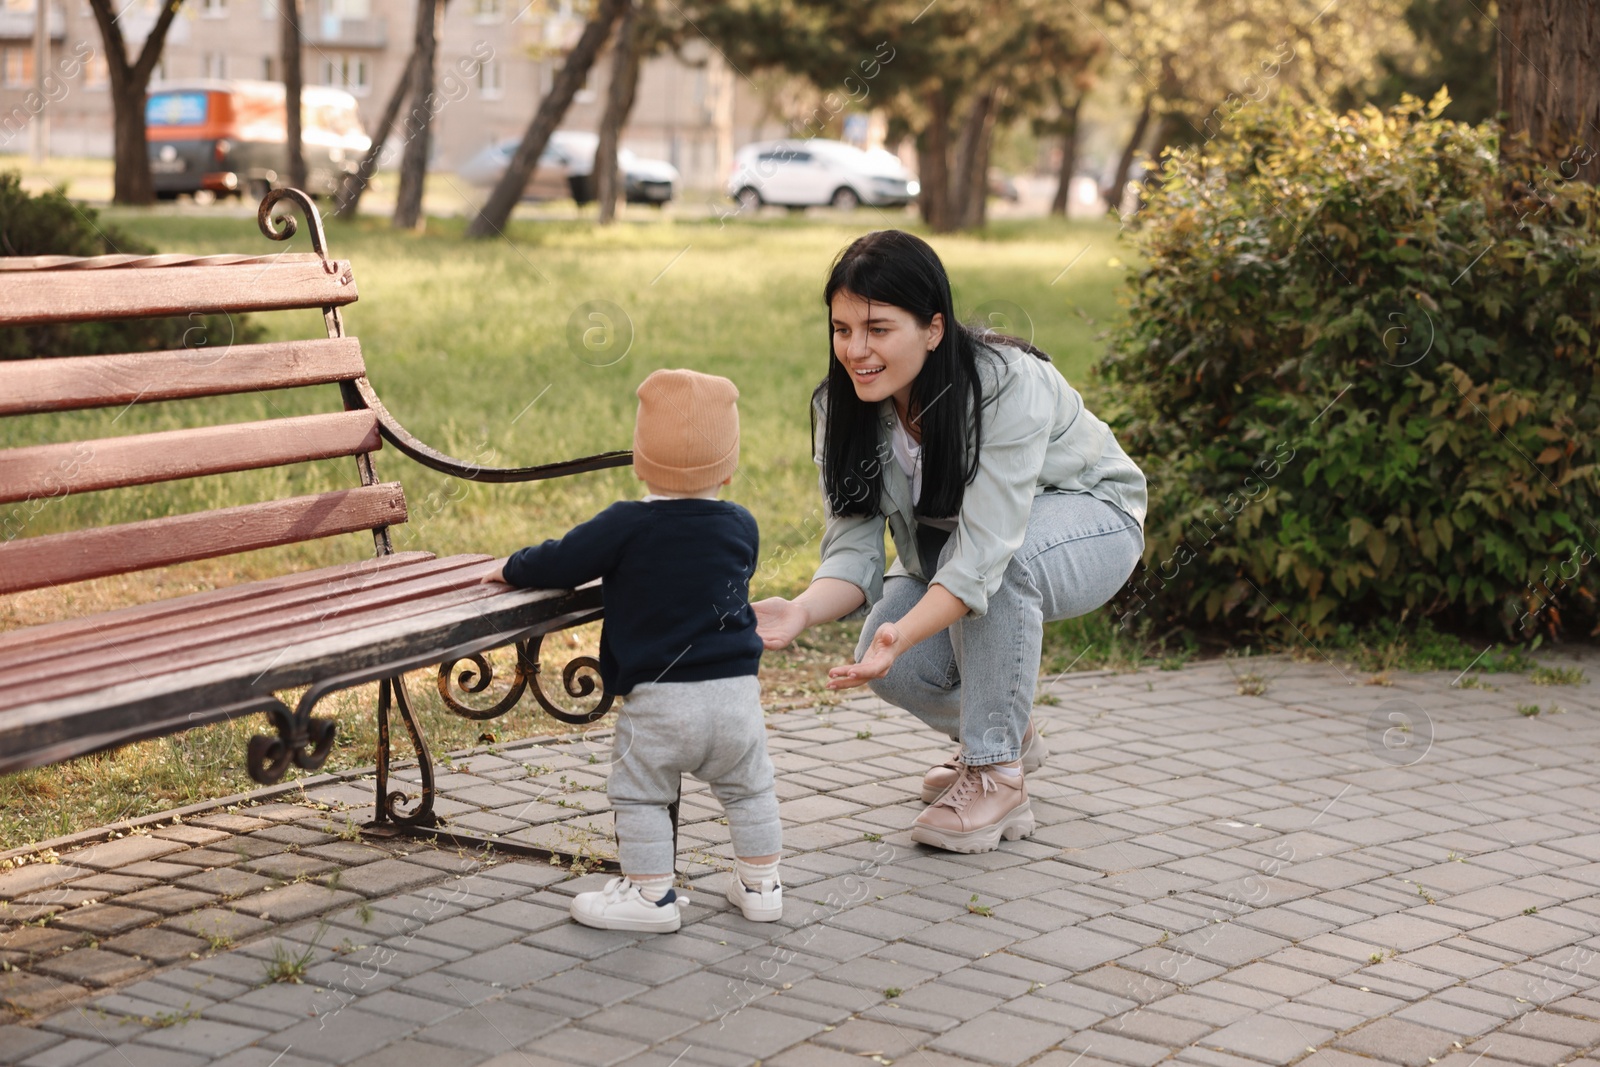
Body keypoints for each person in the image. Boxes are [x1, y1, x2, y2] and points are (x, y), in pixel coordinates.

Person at [754, 230, 1147, 854]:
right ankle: (1006, 734)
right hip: (958, 550)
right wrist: (800, 609)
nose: (857, 350)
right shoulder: (843, 408)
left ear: (933, 328)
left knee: (997, 571)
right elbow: (854, 555)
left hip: (1091, 519)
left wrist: (905, 627)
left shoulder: (1007, 382)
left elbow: (988, 552)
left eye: (879, 329)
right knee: (895, 669)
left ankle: (995, 772)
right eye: (842, 329)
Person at [482, 368, 783, 932]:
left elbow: (562, 560)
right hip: (736, 697)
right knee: (750, 790)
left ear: (641, 458)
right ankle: (762, 885)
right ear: (729, 461)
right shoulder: (742, 525)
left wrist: (511, 566)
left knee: (642, 794)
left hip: (662, 702)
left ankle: (650, 899)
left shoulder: (627, 523)